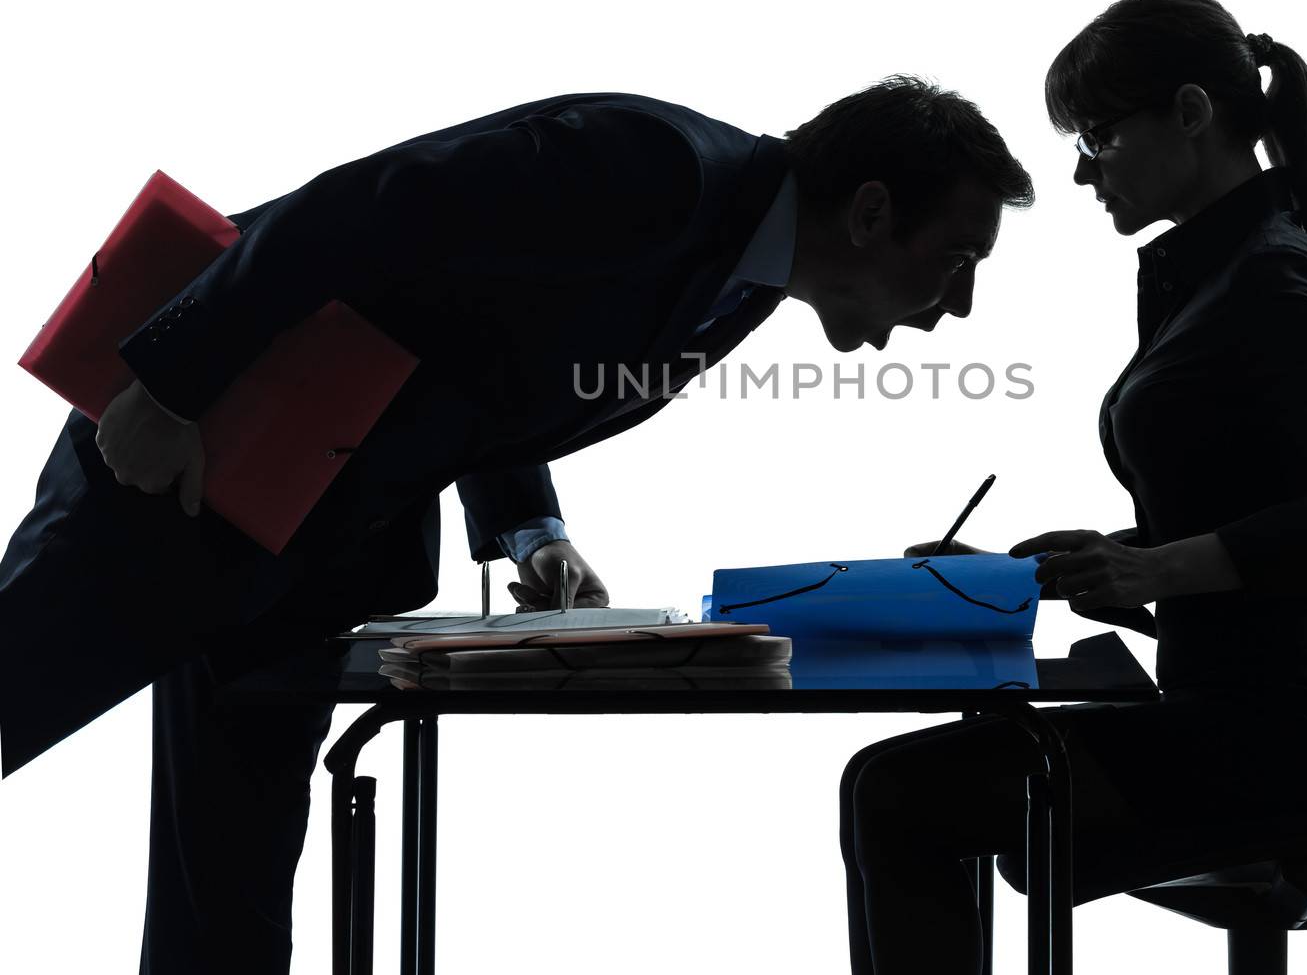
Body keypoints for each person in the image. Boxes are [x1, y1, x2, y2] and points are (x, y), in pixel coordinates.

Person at [0, 76, 1032, 973]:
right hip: (178, 469)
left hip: (301, 553)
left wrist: (532, 528)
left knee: (224, 903)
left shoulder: (741, 287)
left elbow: (482, 356)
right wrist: (169, 383)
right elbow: (349, 216)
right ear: (867, 212)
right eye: (954, 259)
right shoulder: (651, 168)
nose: (960, 309)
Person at [839, 0, 1307, 974]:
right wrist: (1071, 571)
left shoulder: (1271, 278)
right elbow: (1245, 514)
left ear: (1191, 114)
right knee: (916, 786)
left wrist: (1151, 572)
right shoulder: (1217, 273)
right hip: (1246, 704)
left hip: (1295, 731)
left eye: (1098, 136)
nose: (1077, 168)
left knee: (904, 794)